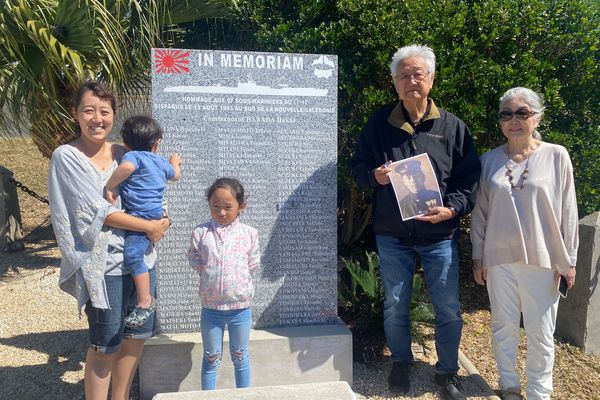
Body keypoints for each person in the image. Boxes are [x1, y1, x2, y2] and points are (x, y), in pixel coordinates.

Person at [352, 44, 481, 400]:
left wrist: (452, 209)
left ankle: (446, 372)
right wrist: (373, 177)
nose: (411, 81)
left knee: (448, 306)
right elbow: (358, 166)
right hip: (393, 234)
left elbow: (468, 179)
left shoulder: (453, 127)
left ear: (431, 79)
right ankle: (402, 362)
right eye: (404, 76)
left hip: (440, 233)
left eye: (418, 74)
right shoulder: (379, 124)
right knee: (395, 303)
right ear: (395, 83)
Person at [48, 81, 170, 400]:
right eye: (89, 110)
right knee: (105, 343)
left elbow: (152, 190)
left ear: (114, 114)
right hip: (103, 267)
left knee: (137, 335)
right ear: (75, 114)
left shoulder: (124, 153)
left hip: (142, 259)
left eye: (104, 111)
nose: (97, 118)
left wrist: (163, 221)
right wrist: (151, 226)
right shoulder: (67, 156)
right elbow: (95, 209)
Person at [470, 87, 578, 400]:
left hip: (543, 260)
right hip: (498, 259)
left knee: (541, 332)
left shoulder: (556, 155)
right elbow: (480, 215)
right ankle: (508, 386)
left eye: (522, 112)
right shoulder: (488, 161)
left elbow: (568, 211)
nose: (514, 120)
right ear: (500, 122)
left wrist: (569, 260)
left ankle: (539, 393)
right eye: (507, 114)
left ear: (537, 117)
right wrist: (478, 257)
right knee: (503, 326)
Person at [105, 116, 181, 328]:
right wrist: (175, 161)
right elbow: (175, 175)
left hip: (140, 216)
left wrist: (110, 185)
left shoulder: (133, 156)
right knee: (140, 252)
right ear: (156, 143)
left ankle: (145, 300)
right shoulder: (160, 161)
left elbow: (126, 169)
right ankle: (144, 299)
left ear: (126, 143)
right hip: (156, 214)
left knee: (132, 254)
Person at [187, 177, 260, 390]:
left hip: (240, 308)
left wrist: (236, 281)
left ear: (240, 206)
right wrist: (210, 275)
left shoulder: (249, 233)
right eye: (215, 207)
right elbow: (194, 258)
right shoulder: (201, 233)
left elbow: (253, 263)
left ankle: (243, 395)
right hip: (211, 309)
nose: (221, 213)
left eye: (228, 207)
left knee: (240, 356)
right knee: (211, 357)